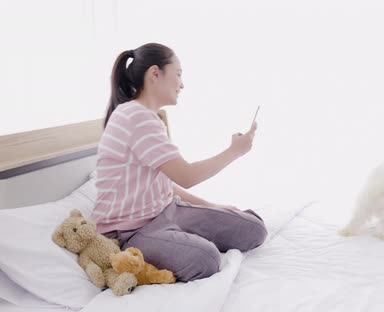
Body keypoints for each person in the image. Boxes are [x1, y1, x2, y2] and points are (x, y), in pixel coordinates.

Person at [90, 43, 267, 281]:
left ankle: (179, 238)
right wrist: (235, 151)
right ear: (155, 73)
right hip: (130, 232)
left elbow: (165, 184)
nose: (182, 84)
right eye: (179, 74)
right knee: (207, 259)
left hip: (167, 209)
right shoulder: (135, 117)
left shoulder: (148, 117)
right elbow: (187, 176)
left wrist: (212, 207)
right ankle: (172, 245)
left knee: (254, 229)